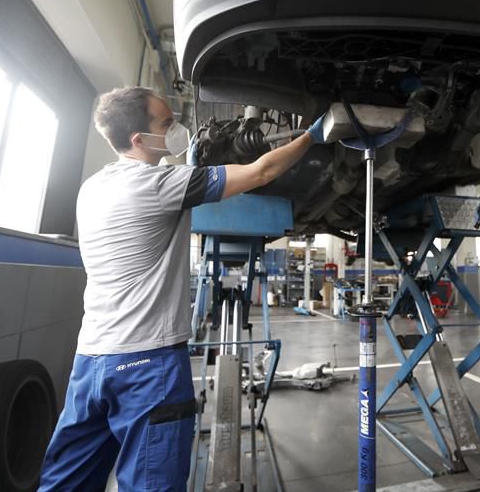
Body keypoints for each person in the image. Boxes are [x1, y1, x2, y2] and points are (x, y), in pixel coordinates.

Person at [39, 86, 330, 491]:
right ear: (139, 139)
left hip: (90, 361)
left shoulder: (92, 187)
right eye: (167, 123)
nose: (177, 129)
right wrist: (313, 135)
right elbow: (261, 172)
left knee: (66, 482)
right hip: (147, 364)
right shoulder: (158, 184)